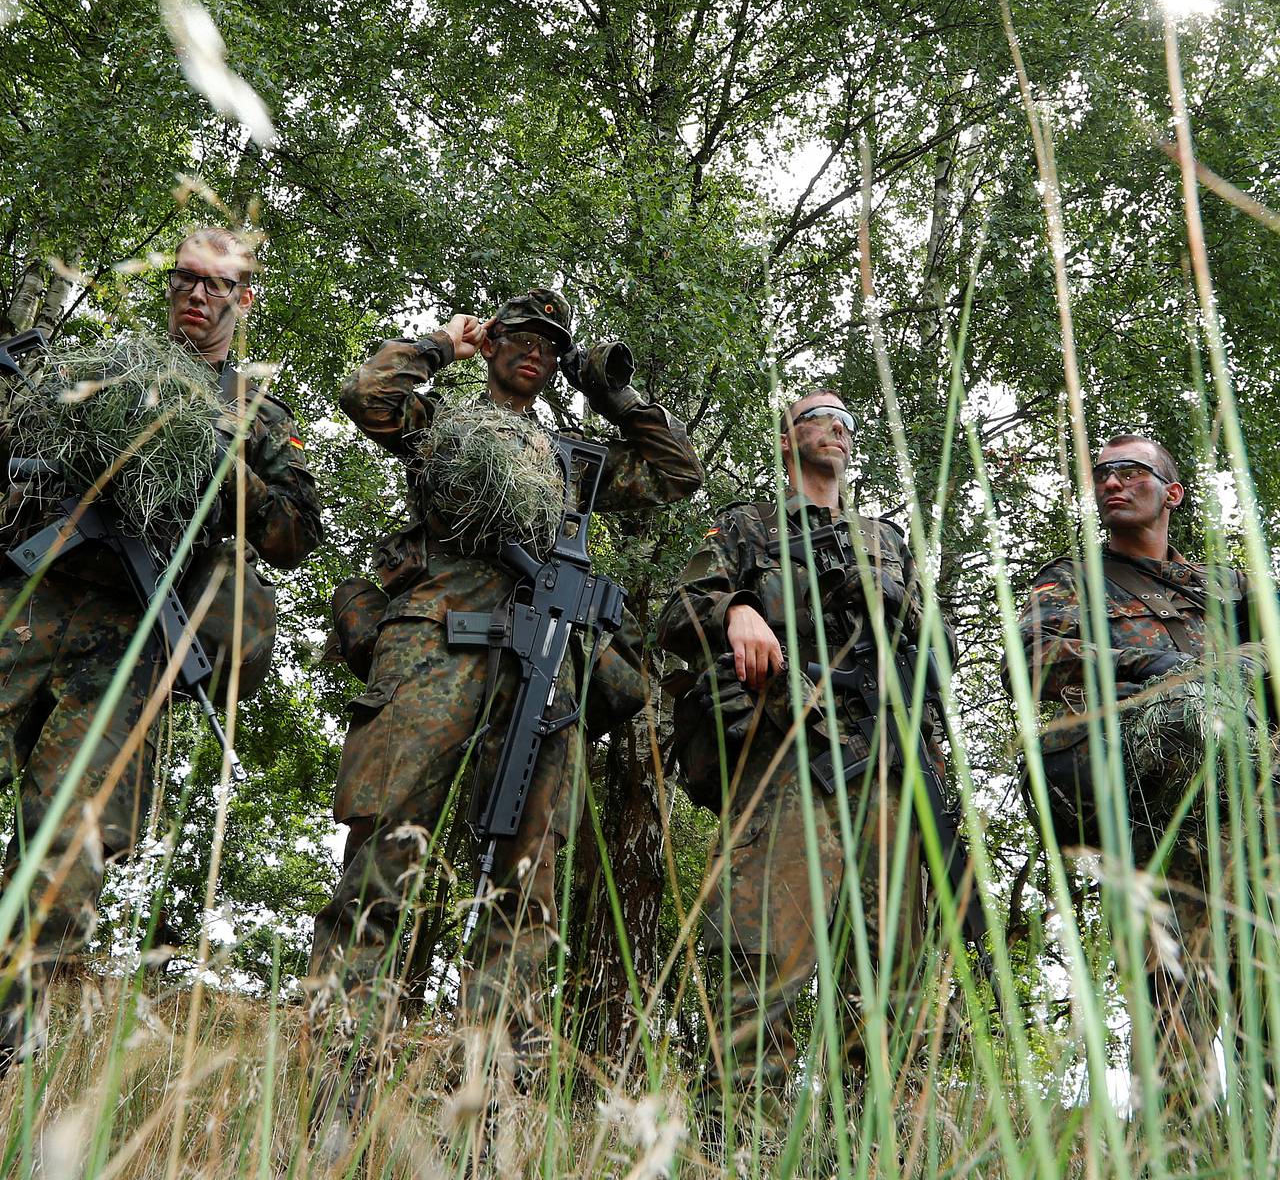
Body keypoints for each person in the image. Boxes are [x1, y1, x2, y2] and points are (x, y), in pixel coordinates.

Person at [309, 290, 701, 1091]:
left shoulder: (569, 461)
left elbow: (676, 472)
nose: (537, 351)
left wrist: (609, 391)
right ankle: (338, 1083)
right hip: (433, 650)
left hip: (542, 668)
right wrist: (440, 345)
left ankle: (492, 1106)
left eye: (553, 346)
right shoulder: (442, 429)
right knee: (384, 854)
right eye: (520, 335)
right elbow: (366, 397)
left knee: (526, 889)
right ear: (492, 343)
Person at [0, 228, 323, 1063]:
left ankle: (10, 1018)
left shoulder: (257, 411)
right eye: (184, 279)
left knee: (67, 839)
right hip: (34, 597)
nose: (197, 295)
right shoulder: (105, 363)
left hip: (134, 641)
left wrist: (212, 457)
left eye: (218, 286)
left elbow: (294, 530)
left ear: (244, 302)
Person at [656, 389, 952, 1129]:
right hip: (791, 761)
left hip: (888, 769)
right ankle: (738, 1143)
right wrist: (735, 609)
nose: (837, 428)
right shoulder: (750, 526)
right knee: (759, 967)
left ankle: (891, 1143)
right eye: (820, 416)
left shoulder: (885, 539)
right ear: (788, 440)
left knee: (895, 982)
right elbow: (676, 611)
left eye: (847, 421)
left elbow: (935, 655)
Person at [1009, 433, 1266, 1106]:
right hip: (1152, 817)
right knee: (1175, 997)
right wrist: (1152, 667)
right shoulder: (1071, 579)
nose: (1112, 482)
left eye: (1131, 471)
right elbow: (1036, 659)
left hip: (1249, 819)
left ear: (1172, 493)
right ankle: (1178, 1150)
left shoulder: (1228, 588)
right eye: (1102, 475)